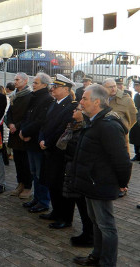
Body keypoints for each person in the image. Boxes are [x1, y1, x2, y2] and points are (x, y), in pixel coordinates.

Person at [72, 84, 132, 267]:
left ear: (96, 102)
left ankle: (107, 263)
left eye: (84, 98)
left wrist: (122, 183)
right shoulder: (94, 120)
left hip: (101, 183)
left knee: (106, 226)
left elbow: (122, 159)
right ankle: (96, 256)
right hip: (92, 182)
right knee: (96, 222)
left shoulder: (108, 125)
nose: (80, 101)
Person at [38, 74, 78, 227]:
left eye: (56, 87)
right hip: (48, 149)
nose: (52, 89)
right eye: (53, 86)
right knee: (52, 183)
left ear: (66, 89)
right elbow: (44, 124)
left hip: (59, 152)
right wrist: (41, 138)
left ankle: (65, 218)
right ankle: (56, 212)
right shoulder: (54, 103)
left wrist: (47, 142)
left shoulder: (71, 106)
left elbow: (62, 129)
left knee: (61, 186)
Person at [57, 104, 94, 248]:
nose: (74, 111)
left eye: (77, 109)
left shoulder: (85, 128)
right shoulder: (73, 126)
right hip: (72, 167)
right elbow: (60, 144)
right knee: (77, 201)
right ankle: (86, 233)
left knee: (84, 206)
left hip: (80, 170)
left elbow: (74, 149)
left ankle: (89, 236)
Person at [19, 73, 53, 212]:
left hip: (36, 141)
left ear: (45, 85)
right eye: (33, 82)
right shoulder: (34, 97)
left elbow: (40, 121)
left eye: (36, 83)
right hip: (29, 140)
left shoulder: (47, 99)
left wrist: (26, 133)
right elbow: (27, 117)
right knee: (34, 172)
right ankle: (37, 198)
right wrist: (23, 131)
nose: (33, 85)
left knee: (40, 173)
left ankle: (43, 201)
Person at [6, 73, 33, 199]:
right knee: (18, 161)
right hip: (14, 134)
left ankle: (27, 186)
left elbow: (29, 116)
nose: (15, 82)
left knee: (25, 162)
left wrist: (16, 125)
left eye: (18, 79)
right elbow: (9, 113)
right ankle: (20, 183)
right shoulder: (14, 95)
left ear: (25, 81)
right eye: (15, 79)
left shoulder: (30, 96)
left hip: (23, 133)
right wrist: (10, 123)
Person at [129, 79, 140, 162]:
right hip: (137, 120)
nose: (135, 87)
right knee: (136, 137)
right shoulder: (136, 95)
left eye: (136, 85)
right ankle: (137, 155)